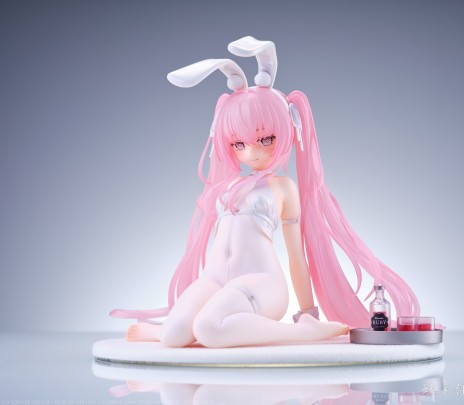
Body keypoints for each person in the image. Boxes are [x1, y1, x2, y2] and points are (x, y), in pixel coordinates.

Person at [110, 37, 419, 348]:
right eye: (239, 144)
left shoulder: (282, 187)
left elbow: (297, 256)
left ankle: (303, 332)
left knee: (208, 328)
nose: (252, 152)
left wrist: (307, 312)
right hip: (215, 280)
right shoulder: (226, 185)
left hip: (262, 283)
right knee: (173, 336)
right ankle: (162, 331)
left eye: (266, 139)